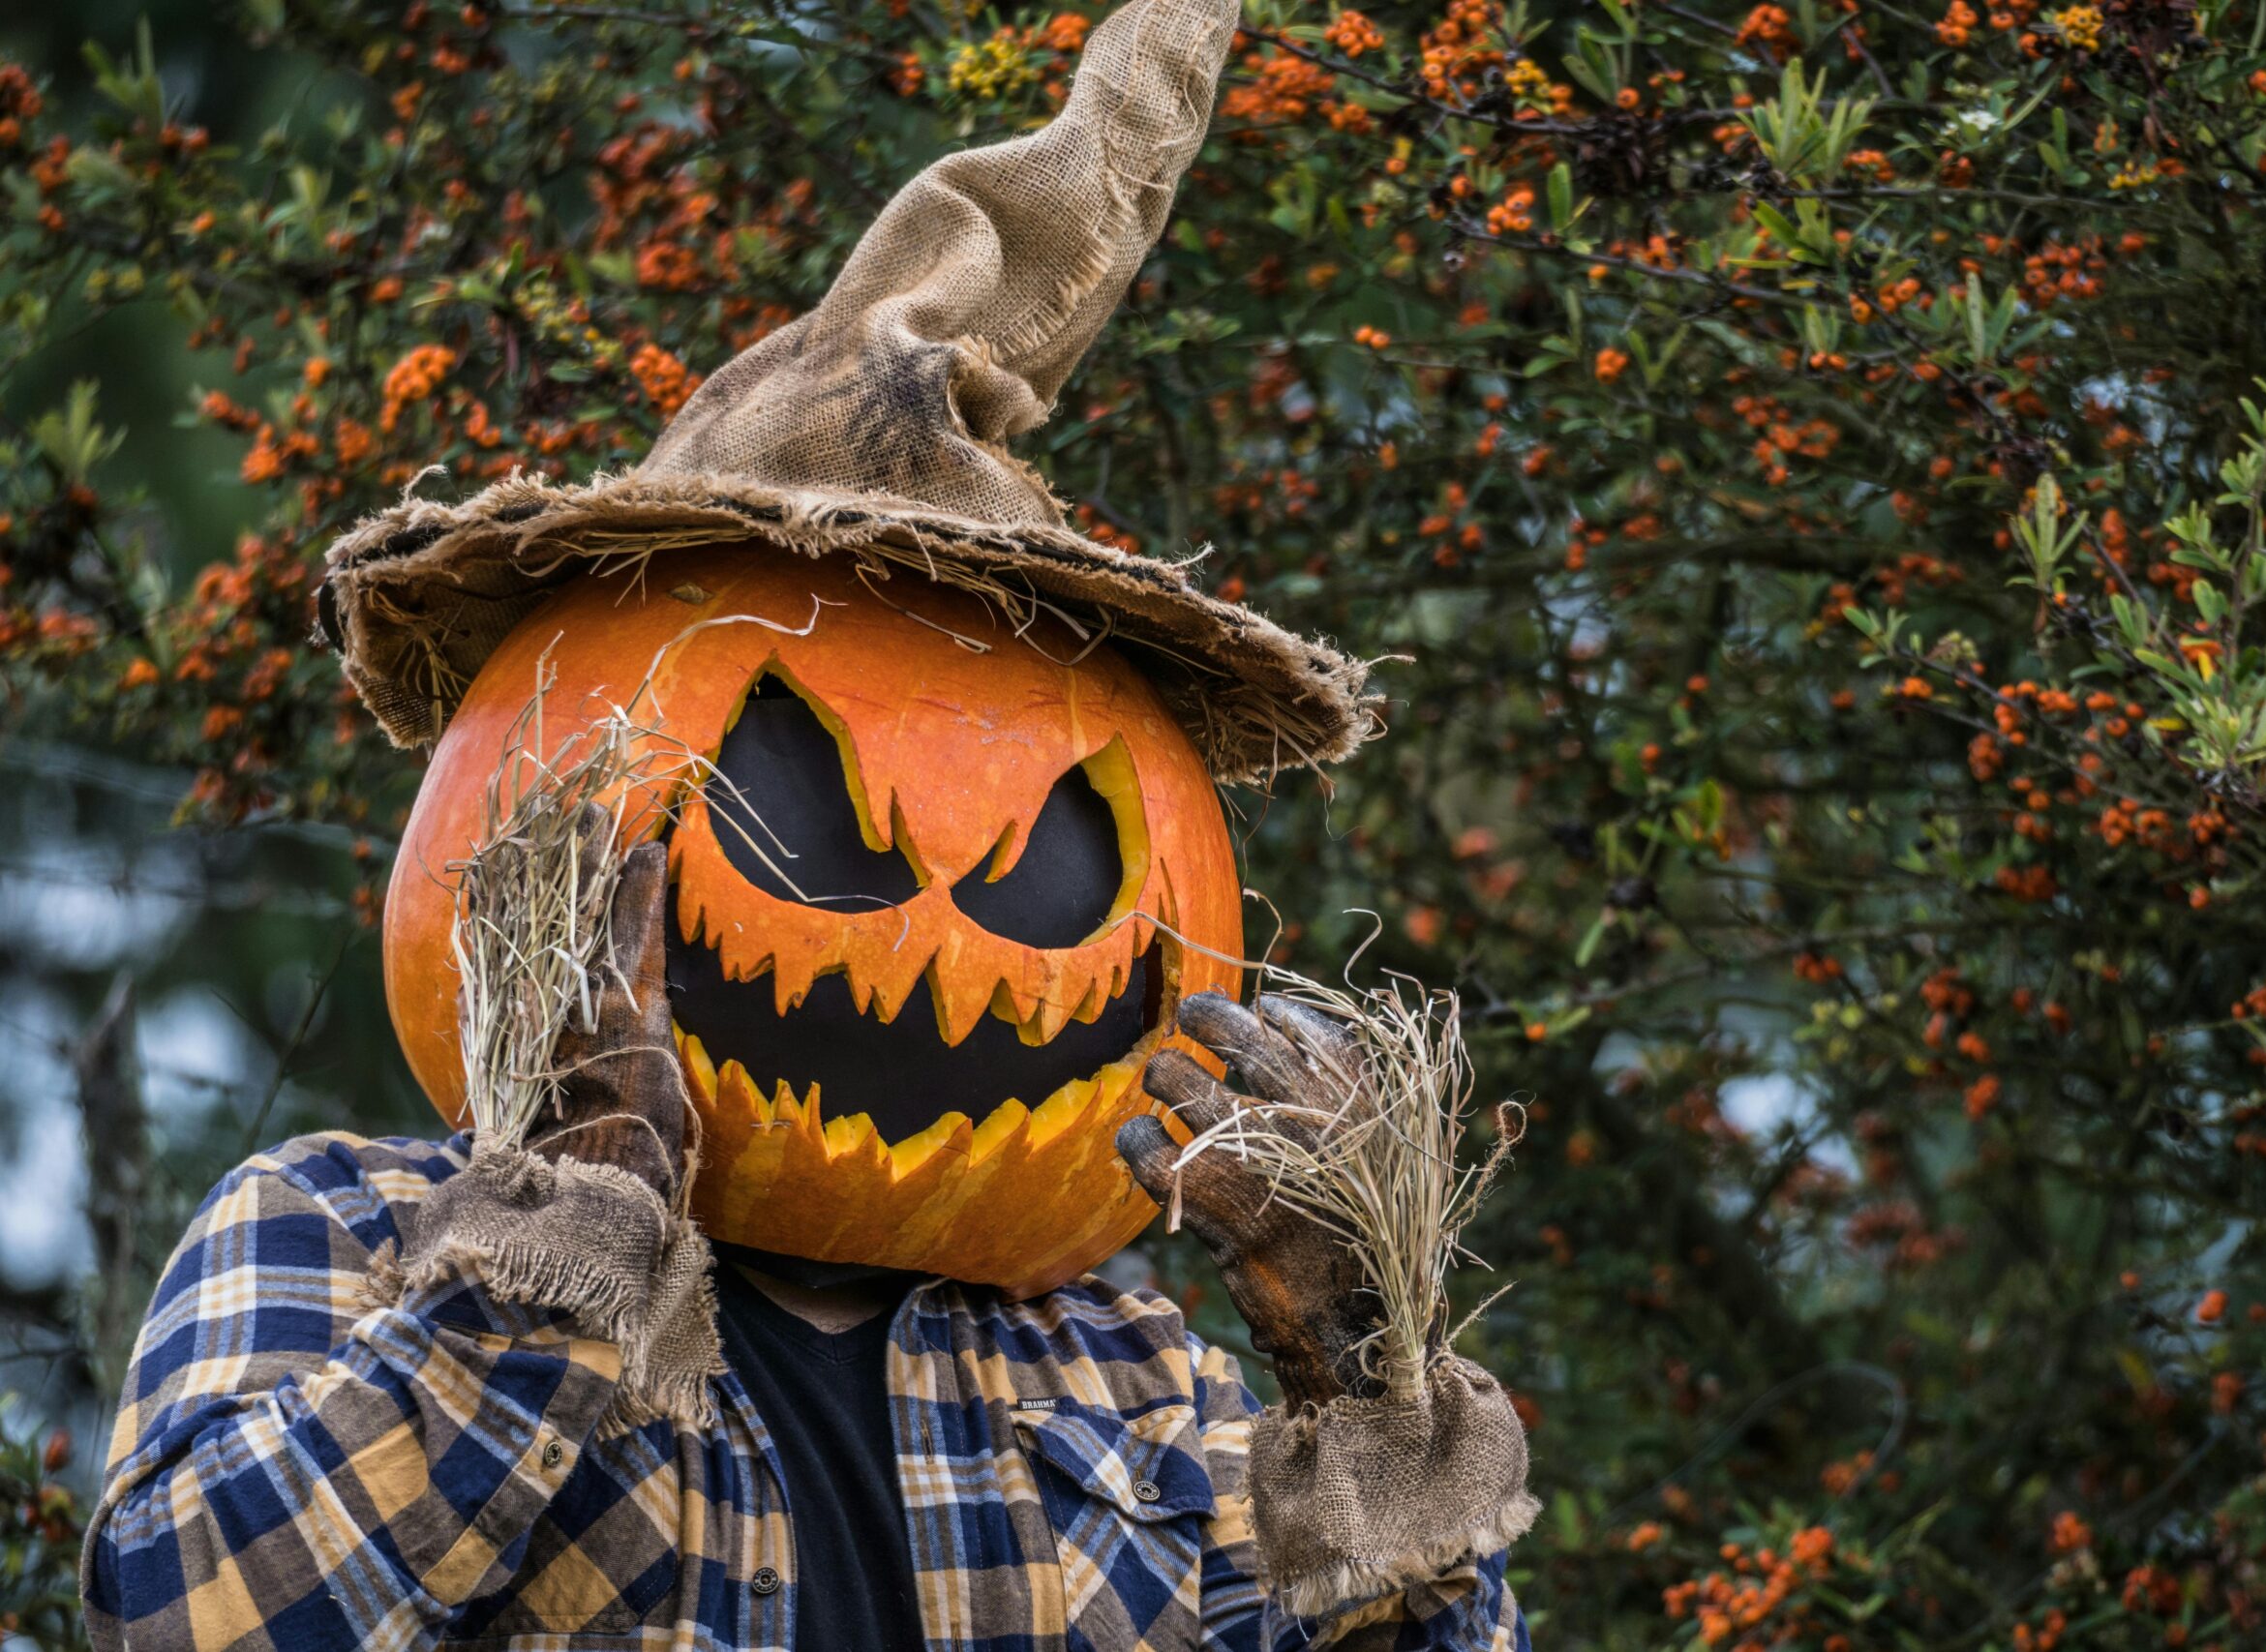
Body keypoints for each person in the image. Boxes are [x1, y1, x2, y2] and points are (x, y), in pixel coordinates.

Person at [81, 2, 1536, 1646]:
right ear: (534, 821)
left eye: (1053, 847)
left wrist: (1364, 1382)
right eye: (787, 799)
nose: (935, 919)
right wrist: (560, 1245)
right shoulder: (343, 1237)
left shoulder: (1145, 1395)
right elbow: (192, 1618)